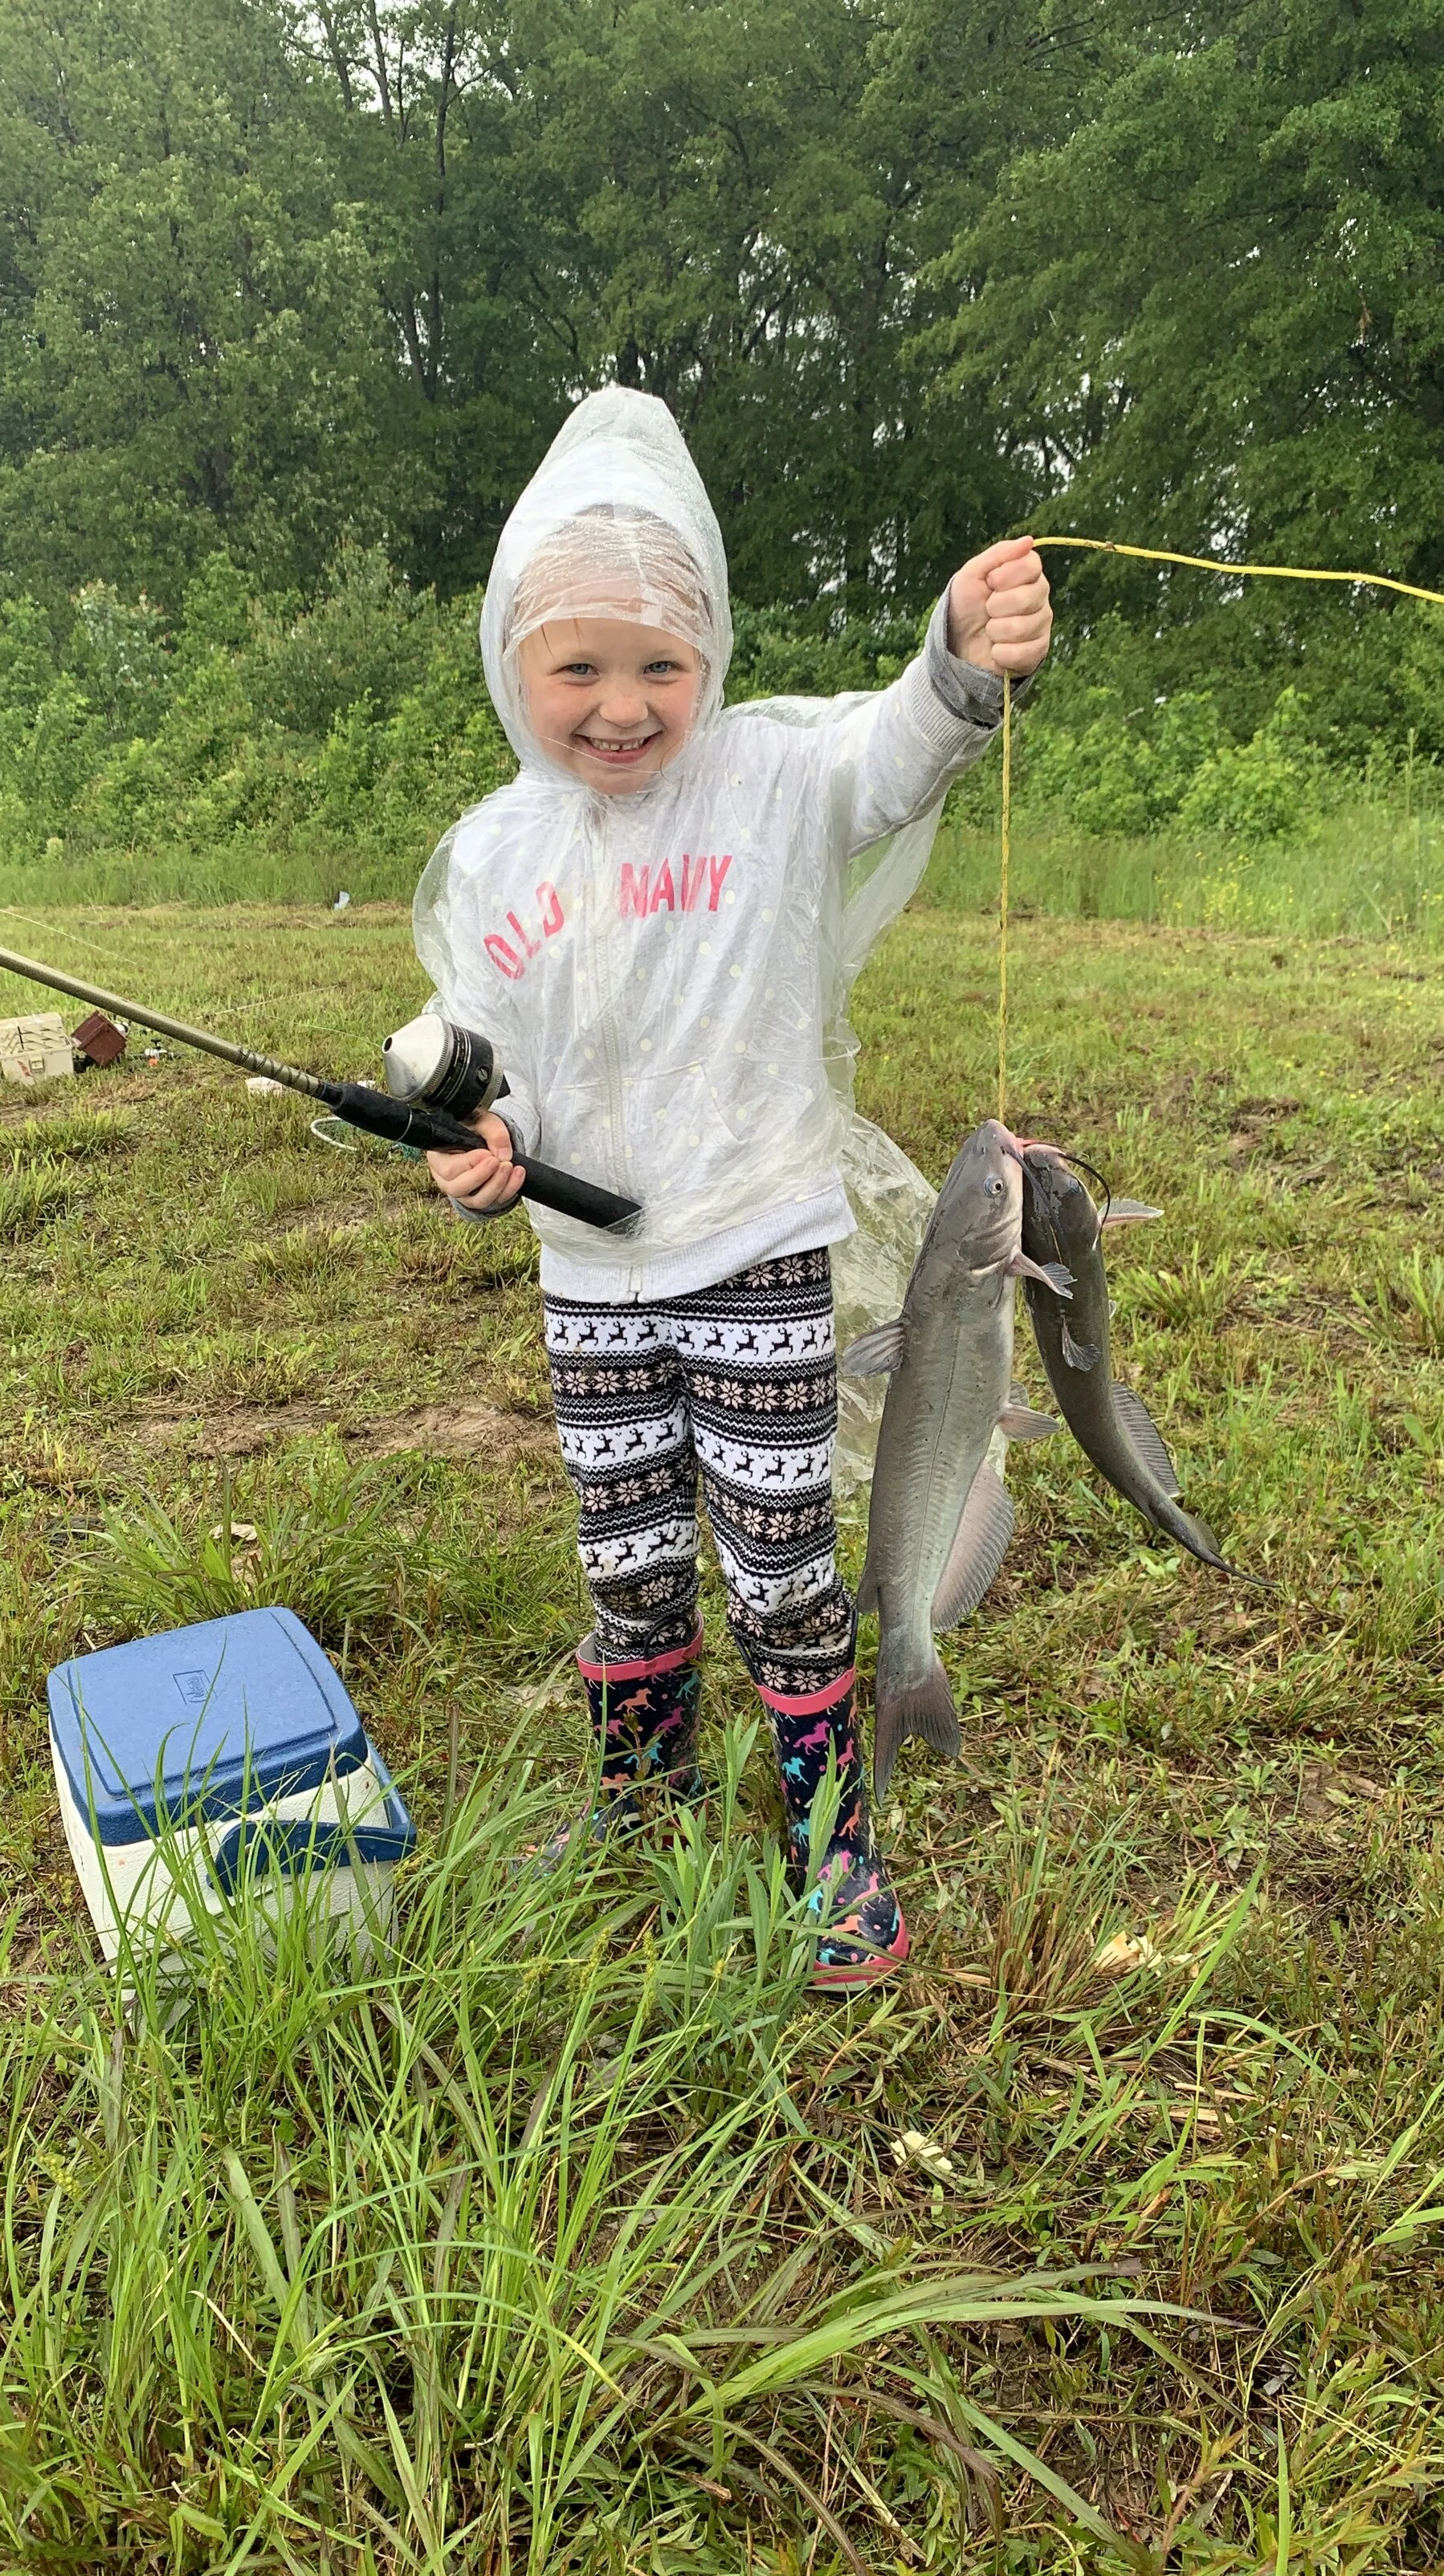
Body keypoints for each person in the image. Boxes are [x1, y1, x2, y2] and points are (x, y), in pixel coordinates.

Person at [413, 388, 1051, 1988]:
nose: (620, 706)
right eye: (577, 666)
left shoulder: (771, 781)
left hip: (757, 1250)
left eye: (659, 666)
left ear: (707, 657)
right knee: (624, 1559)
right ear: (510, 662)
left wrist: (960, 655)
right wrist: (474, 1143)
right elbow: (492, 1066)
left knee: (779, 1562)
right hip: (590, 1281)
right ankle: (641, 1794)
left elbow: (893, 753)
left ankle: (830, 1830)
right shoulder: (496, 856)